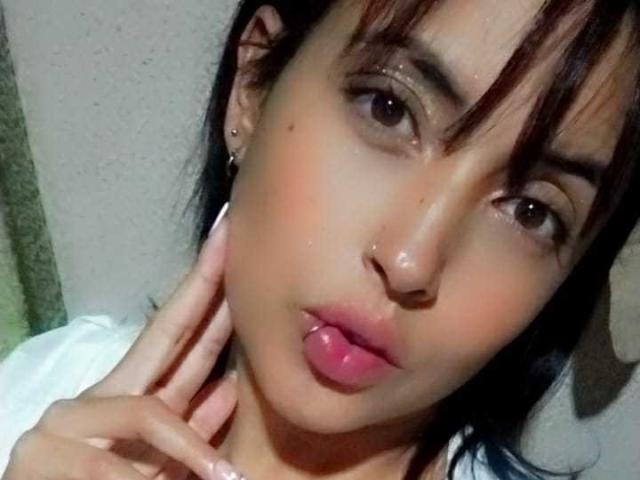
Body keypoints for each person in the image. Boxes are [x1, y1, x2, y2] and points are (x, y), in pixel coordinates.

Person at [2, 0, 640, 478]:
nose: (410, 260)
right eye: (388, 109)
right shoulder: (38, 395)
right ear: (254, 87)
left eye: (531, 211)